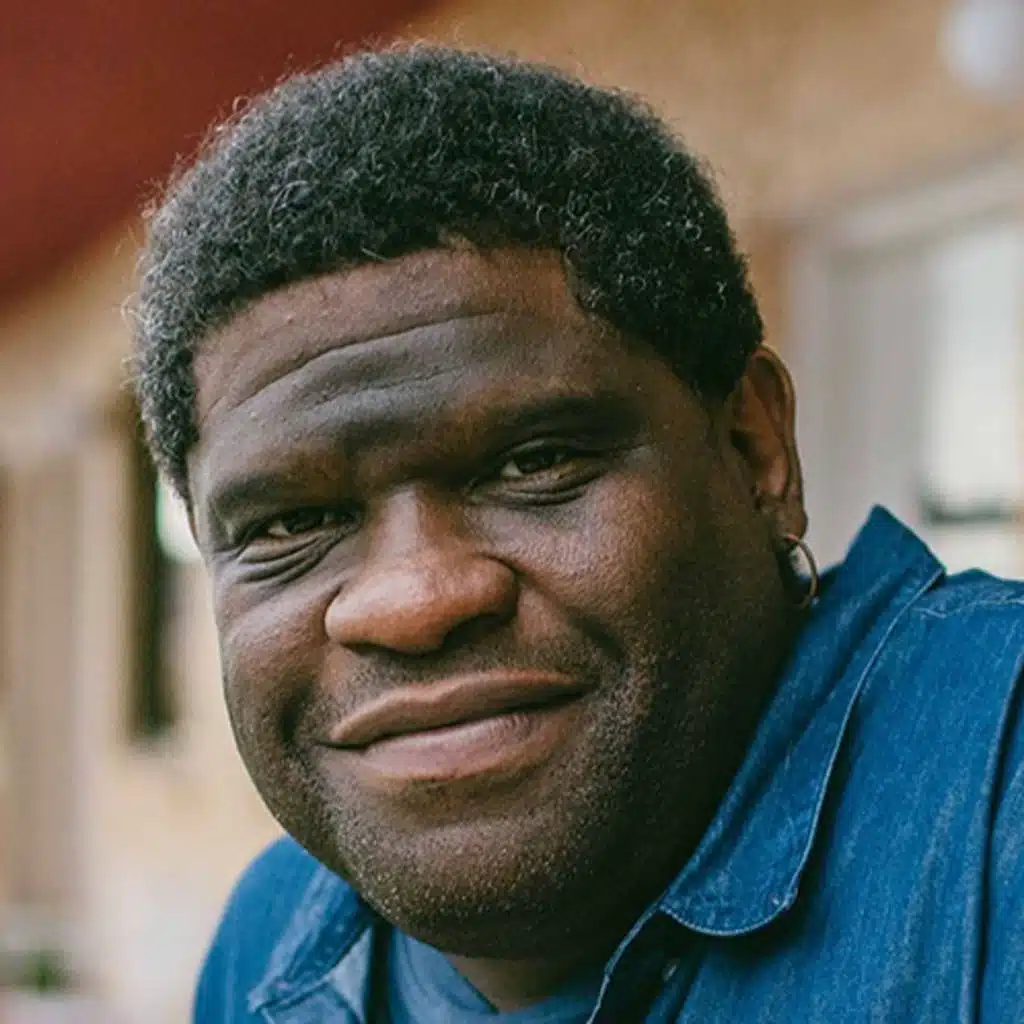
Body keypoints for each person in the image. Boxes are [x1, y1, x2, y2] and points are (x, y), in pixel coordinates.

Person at [130, 45, 1024, 1023]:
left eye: (534, 462)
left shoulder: (996, 796)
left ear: (755, 450)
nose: (413, 601)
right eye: (292, 522)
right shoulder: (270, 943)